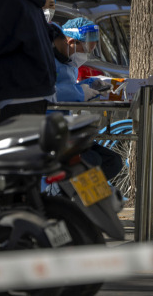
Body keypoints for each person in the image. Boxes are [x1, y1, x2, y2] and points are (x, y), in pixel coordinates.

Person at [49, 17, 122, 181]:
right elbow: (46, 92)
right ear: (70, 41)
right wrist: (79, 92)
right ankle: (59, 195)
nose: (85, 56)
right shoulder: (47, 60)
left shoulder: (69, 63)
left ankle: (85, 202)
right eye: (84, 50)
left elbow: (69, 86)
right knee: (90, 161)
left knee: (113, 161)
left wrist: (92, 85)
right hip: (45, 128)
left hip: (65, 128)